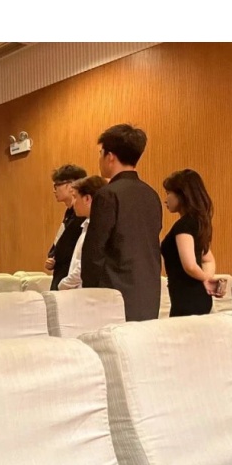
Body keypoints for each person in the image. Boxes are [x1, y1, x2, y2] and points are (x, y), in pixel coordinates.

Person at [81, 124, 163, 321]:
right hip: (149, 290)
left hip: (114, 291)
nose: (100, 159)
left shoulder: (107, 194)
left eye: (100, 153)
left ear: (110, 156)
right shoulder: (151, 194)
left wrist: (89, 290)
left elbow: (95, 249)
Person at [161, 169, 221, 316]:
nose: (165, 199)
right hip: (199, 297)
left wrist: (205, 279)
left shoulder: (183, 225)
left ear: (182, 195)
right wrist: (206, 279)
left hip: (186, 300)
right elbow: (208, 259)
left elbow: (190, 265)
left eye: (168, 193)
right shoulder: (197, 223)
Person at [58, 175, 107, 290]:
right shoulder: (87, 225)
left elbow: (84, 265)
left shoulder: (97, 228)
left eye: (75, 197)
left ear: (87, 199)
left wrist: (63, 285)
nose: (73, 203)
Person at [45, 164, 88, 290]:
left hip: (71, 282)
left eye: (57, 185)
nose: (54, 190)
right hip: (62, 275)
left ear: (70, 186)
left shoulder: (82, 216)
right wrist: (53, 257)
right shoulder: (69, 213)